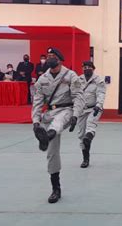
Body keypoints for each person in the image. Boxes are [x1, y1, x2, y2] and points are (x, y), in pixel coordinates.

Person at [32, 47, 85, 204]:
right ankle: (56, 188)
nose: (48, 59)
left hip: (67, 110)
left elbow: (79, 97)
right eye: (47, 56)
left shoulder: (70, 76)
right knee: (52, 153)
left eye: (52, 56)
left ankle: (47, 135)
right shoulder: (43, 79)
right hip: (50, 113)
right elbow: (37, 101)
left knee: (59, 121)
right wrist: (35, 122)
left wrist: (76, 115)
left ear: (59, 58)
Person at [77, 61, 106, 168]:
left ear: (93, 69)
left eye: (89, 67)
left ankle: (88, 137)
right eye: (84, 67)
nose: (86, 69)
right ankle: (85, 158)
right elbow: (74, 94)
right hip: (81, 110)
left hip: (94, 108)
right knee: (81, 135)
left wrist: (99, 105)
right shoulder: (78, 80)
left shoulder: (99, 80)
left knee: (90, 124)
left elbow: (101, 93)